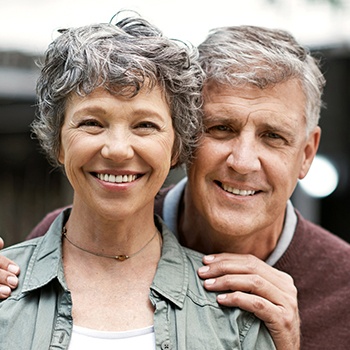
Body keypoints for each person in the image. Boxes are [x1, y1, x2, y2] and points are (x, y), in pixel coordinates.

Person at [3, 23, 349, 350]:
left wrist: (287, 343)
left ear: (306, 154)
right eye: (221, 128)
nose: (242, 162)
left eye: (273, 136)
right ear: (186, 139)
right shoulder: (68, 234)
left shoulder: (344, 288)